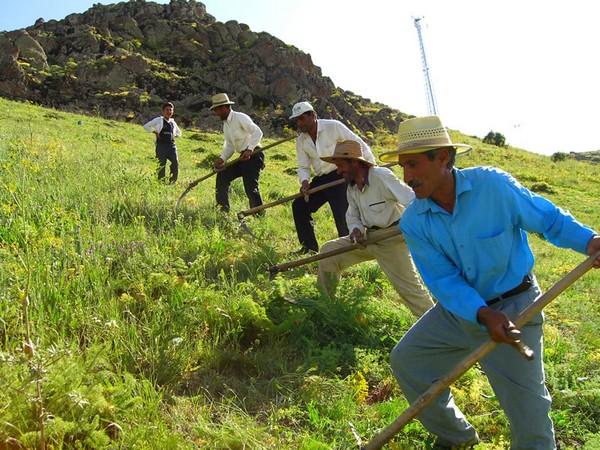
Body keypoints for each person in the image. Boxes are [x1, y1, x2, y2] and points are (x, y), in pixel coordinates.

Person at [378, 115, 600, 449]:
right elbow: (443, 280)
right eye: (402, 168)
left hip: (516, 307)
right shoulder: (414, 221)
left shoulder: (493, 187)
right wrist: (482, 314)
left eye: (413, 165)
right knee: (409, 361)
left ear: (442, 158)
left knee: (530, 415)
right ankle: (457, 436)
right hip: (461, 313)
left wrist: (589, 241)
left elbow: (548, 219)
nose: (407, 178)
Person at [316, 140, 434, 317]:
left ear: (354, 162)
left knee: (410, 290)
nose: (338, 171)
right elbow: (353, 215)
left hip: (392, 239)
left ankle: (439, 325)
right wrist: (356, 230)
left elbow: (411, 200)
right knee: (329, 251)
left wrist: (414, 225)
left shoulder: (381, 176)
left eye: (340, 166)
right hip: (367, 237)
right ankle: (324, 308)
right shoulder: (352, 188)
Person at [290, 101, 376, 255]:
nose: (299, 123)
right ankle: (309, 248)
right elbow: (303, 166)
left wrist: (371, 167)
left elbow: (359, 144)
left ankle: (349, 250)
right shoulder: (301, 141)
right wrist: (304, 183)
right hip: (320, 179)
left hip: (340, 176)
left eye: (301, 118)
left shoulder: (333, 127)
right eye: (296, 120)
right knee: (299, 206)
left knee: (342, 214)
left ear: (313, 115)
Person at [210, 93, 264, 212]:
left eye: (217, 110)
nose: (216, 113)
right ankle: (223, 209)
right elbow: (230, 146)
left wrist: (249, 149)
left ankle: (259, 214)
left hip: (254, 155)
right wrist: (222, 159)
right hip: (242, 157)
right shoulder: (226, 125)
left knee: (250, 187)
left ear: (225, 107)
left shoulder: (240, 117)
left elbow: (257, 132)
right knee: (223, 175)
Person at [143, 102, 182, 183]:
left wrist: (173, 135)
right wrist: (155, 132)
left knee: (175, 162)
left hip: (172, 146)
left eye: (170, 110)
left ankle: (172, 181)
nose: (169, 112)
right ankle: (161, 182)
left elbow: (179, 133)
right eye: (167, 110)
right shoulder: (159, 120)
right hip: (161, 146)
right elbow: (146, 126)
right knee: (161, 165)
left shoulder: (173, 122)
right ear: (163, 111)